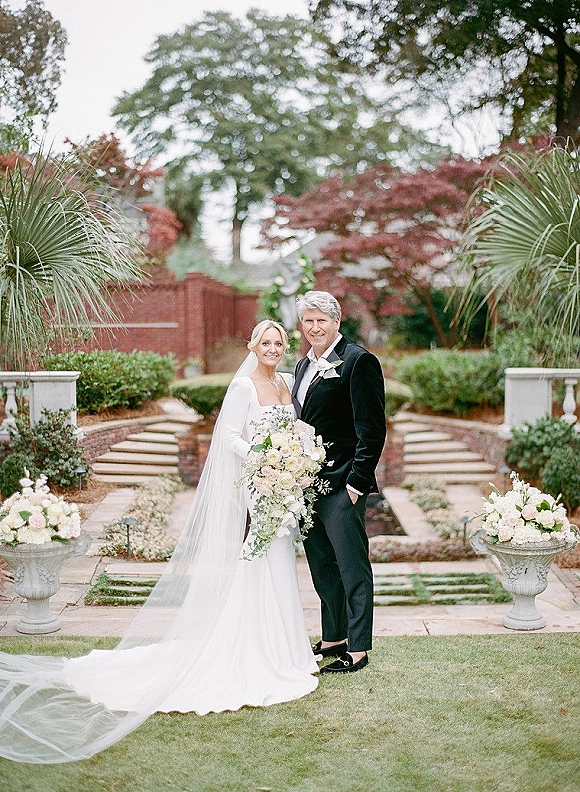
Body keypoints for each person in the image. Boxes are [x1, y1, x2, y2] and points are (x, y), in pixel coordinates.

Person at [0, 320, 318, 764]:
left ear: (284, 347)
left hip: (285, 486)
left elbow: (294, 429)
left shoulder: (286, 382)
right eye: (265, 342)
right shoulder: (244, 386)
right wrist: (264, 461)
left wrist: (297, 456)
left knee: (283, 562)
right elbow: (228, 438)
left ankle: (291, 653)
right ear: (252, 345)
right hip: (260, 484)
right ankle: (261, 650)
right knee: (260, 561)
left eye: (278, 342)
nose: (272, 348)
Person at [293, 291, 386, 674]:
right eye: (308, 321)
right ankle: (333, 637)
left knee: (352, 567)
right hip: (305, 484)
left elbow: (372, 429)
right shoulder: (302, 366)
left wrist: (355, 484)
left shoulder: (358, 361)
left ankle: (359, 648)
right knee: (321, 565)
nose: (314, 327)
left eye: (321, 320)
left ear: (336, 321)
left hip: (341, 484)